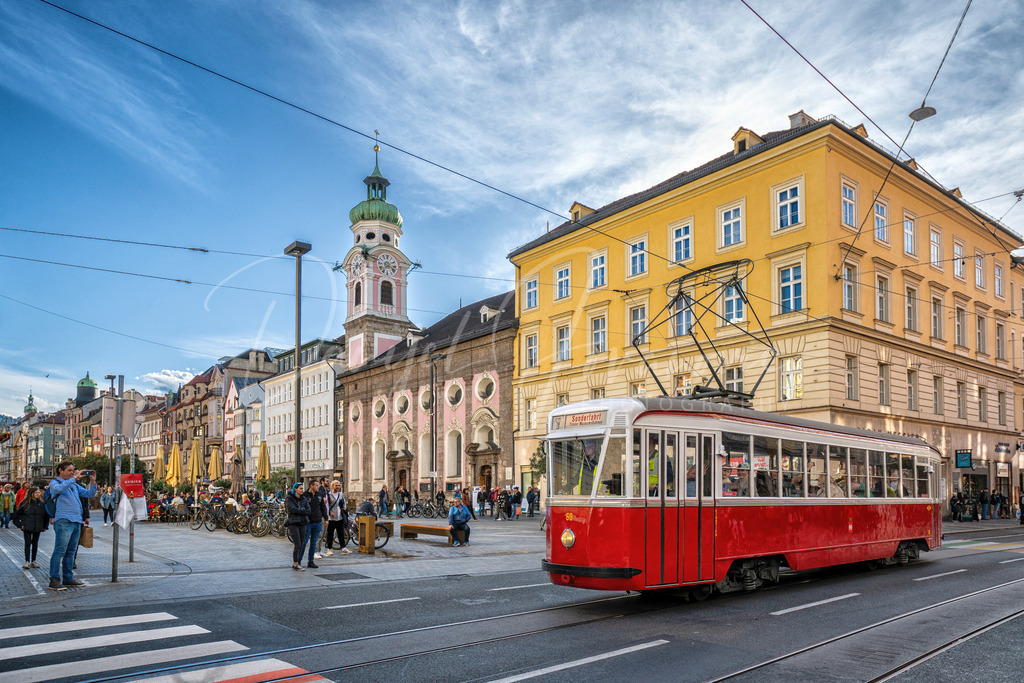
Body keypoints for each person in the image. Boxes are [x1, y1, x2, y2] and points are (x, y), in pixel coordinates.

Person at [47, 461, 96, 591]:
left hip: (76, 521)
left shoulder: (73, 485)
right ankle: (54, 579)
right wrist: (74, 478)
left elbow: (89, 494)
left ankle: (68, 578)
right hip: (64, 520)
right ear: (60, 470)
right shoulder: (55, 483)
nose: (72, 473)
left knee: (71, 551)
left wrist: (93, 482)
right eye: (69, 470)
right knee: (60, 550)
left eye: (73, 470)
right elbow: (58, 490)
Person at [13, 486, 49, 568]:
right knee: (27, 543)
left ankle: (33, 561)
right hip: (27, 526)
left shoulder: (42, 504)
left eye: (39, 492)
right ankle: (27, 561)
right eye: (36, 492)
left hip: (38, 526)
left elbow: (46, 516)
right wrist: (20, 525)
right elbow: (16, 517)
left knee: (35, 544)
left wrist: (45, 526)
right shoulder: (24, 503)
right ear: (31, 493)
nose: (38, 494)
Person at [285, 482, 310, 571]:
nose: (302, 490)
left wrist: (300, 510)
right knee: (298, 544)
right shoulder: (290, 498)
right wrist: (302, 510)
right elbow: (293, 510)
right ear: (295, 489)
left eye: (302, 488)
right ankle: (296, 563)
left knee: (302, 544)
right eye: (300, 488)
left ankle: (298, 563)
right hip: (293, 523)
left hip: (303, 523)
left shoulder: (304, 499)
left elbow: (308, 510)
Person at [302, 480, 327, 567]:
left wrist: (325, 518)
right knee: (304, 542)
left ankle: (310, 561)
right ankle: (298, 561)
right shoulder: (304, 495)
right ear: (311, 486)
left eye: (318, 485)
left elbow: (323, 507)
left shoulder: (319, 495)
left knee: (313, 542)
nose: (318, 487)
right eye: (316, 485)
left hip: (317, 522)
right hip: (308, 522)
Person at [324, 480, 348, 555]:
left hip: (340, 516)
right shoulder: (328, 495)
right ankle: (329, 548)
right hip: (331, 517)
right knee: (330, 533)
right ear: (332, 486)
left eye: (338, 485)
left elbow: (344, 502)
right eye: (336, 485)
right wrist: (329, 512)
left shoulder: (340, 494)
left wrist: (344, 507)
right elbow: (326, 506)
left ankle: (343, 548)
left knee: (341, 533)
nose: (338, 487)